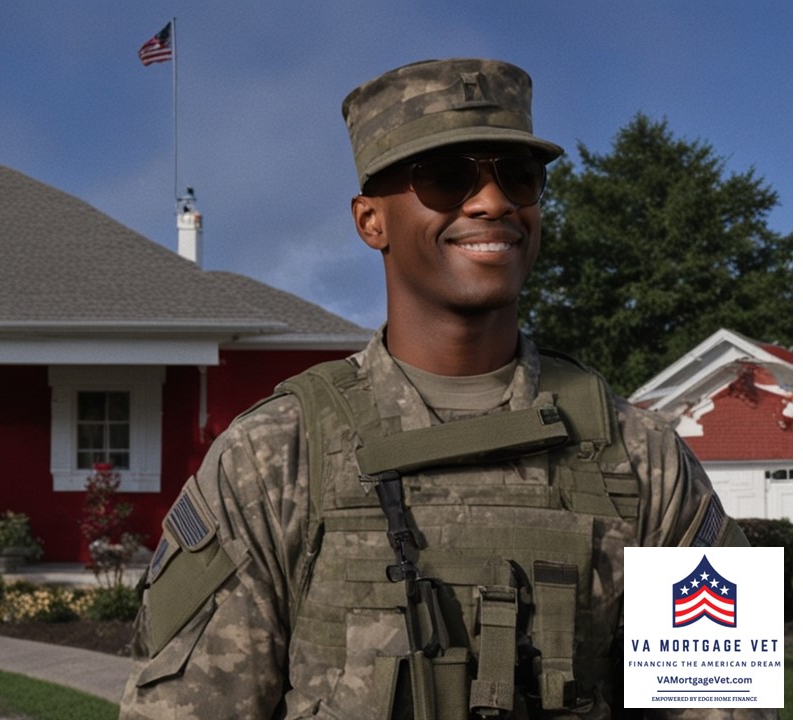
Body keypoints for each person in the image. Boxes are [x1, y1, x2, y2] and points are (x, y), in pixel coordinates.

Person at [119, 58, 765, 719]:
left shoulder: (644, 457)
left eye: (518, 177)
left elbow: (726, 706)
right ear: (371, 221)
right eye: (446, 178)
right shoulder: (273, 458)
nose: (492, 203)